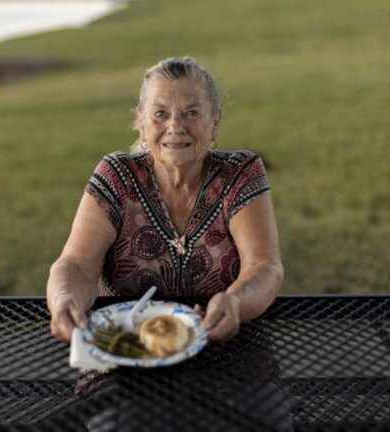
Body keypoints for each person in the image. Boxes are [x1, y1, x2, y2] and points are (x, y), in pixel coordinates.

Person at [47, 57, 284, 343]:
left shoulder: (241, 173)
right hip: (123, 349)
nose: (175, 126)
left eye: (192, 113)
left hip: (224, 346)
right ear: (141, 121)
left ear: (215, 120)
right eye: (160, 114)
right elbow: (76, 264)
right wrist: (64, 300)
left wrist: (235, 302)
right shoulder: (116, 175)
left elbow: (264, 267)